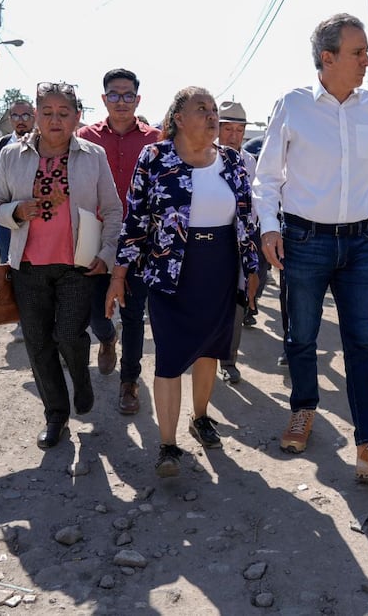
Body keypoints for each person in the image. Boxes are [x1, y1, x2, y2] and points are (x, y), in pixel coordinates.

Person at [254, 13, 368, 481]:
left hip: (360, 243)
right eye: (358, 52)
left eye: (366, 52)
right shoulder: (295, 104)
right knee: (301, 335)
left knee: (361, 342)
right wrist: (269, 229)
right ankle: (303, 408)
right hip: (305, 240)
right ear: (327, 58)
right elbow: (266, 178)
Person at [106, 87, 258, 478]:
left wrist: (252, 269)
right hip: (169, 271)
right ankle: (168, 445)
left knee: (209, 349)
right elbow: (135, 219)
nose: (212, 117)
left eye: (213, 110)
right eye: (201, 109)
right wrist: (119, 274)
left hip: (219, 269)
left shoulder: (232, 162)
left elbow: (246, 220)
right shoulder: (155, 158)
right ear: (178, 118)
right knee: (171, 357)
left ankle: (201, 416)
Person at [0, 82, 122, 449]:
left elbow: (112, 209)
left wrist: (107, 253)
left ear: (78, 117)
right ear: (35, 115)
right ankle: (56, 416)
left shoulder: (92, 155)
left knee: (68, 335)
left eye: (64, 113)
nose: (55, 120)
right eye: (47, 112)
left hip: (77, 266)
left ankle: (81, 378)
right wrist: (16, 211)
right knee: (37, 342)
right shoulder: (12, 155)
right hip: (28, 267)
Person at [77, 68, 161, 415]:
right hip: (96, 236)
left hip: (140, 237)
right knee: (97, 311)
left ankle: (130, 383)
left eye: (128, 95)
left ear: (138, 99)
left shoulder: (155, 138)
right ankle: (107, 339)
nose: (122, 102)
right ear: (104, 99)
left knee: (134, 313)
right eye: (114, 95)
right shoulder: (85, 137)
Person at [216, 100, 270, 385]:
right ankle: (201, 357)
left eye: (240, 129)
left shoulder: (250, 162)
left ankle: (229, 360)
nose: (234, 135)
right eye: (228, 129)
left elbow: (257, 203)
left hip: (240, 242)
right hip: (208, 243)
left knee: (237, 302)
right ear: (216, 128)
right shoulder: (202, 157)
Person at [0, 100, 36, 262]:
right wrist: (2, 196)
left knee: (31, 263)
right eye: (15, 116)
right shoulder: (2, 144)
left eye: (25, 115)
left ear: (33, 117)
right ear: (10, 119)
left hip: (33, 213)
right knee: (6, 262)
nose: (20, 120)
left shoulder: (43, 143)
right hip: (6, 214)